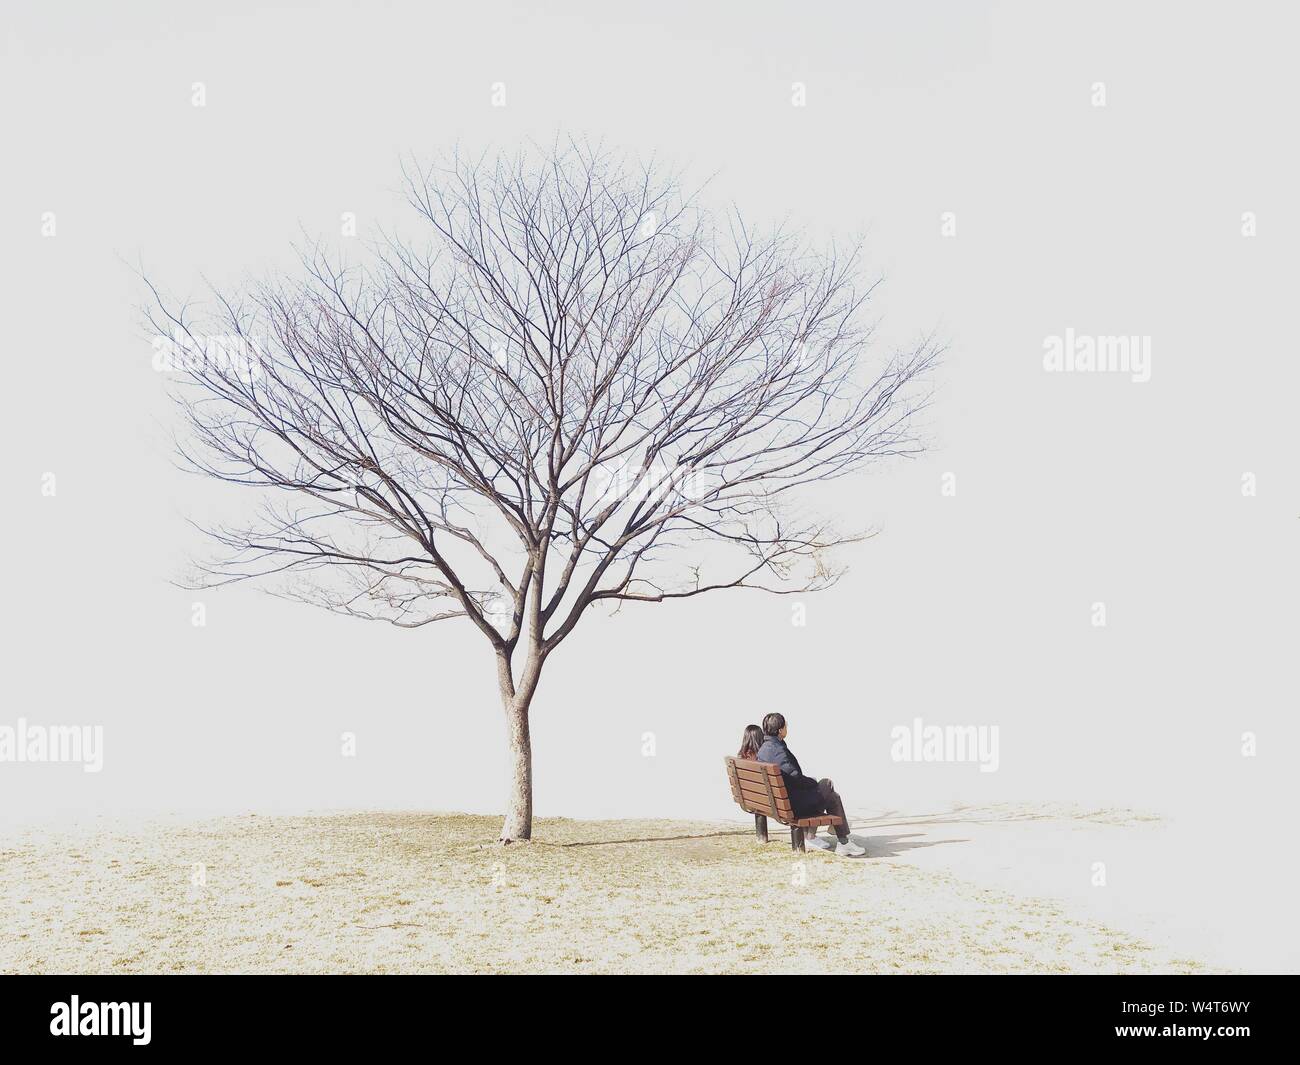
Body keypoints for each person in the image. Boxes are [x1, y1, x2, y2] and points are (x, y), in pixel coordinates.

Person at [756, 712, 865, 857]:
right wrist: (814, 782)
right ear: (780, 730)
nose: (787, 727)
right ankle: (842, 842)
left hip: (779, 802)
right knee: (826, 784)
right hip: (792, 806)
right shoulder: (779, 751)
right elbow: (796, 778)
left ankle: (830, 838)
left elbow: (791, 776)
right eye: (786, 725)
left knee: (832, 797)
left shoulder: (764, 749)